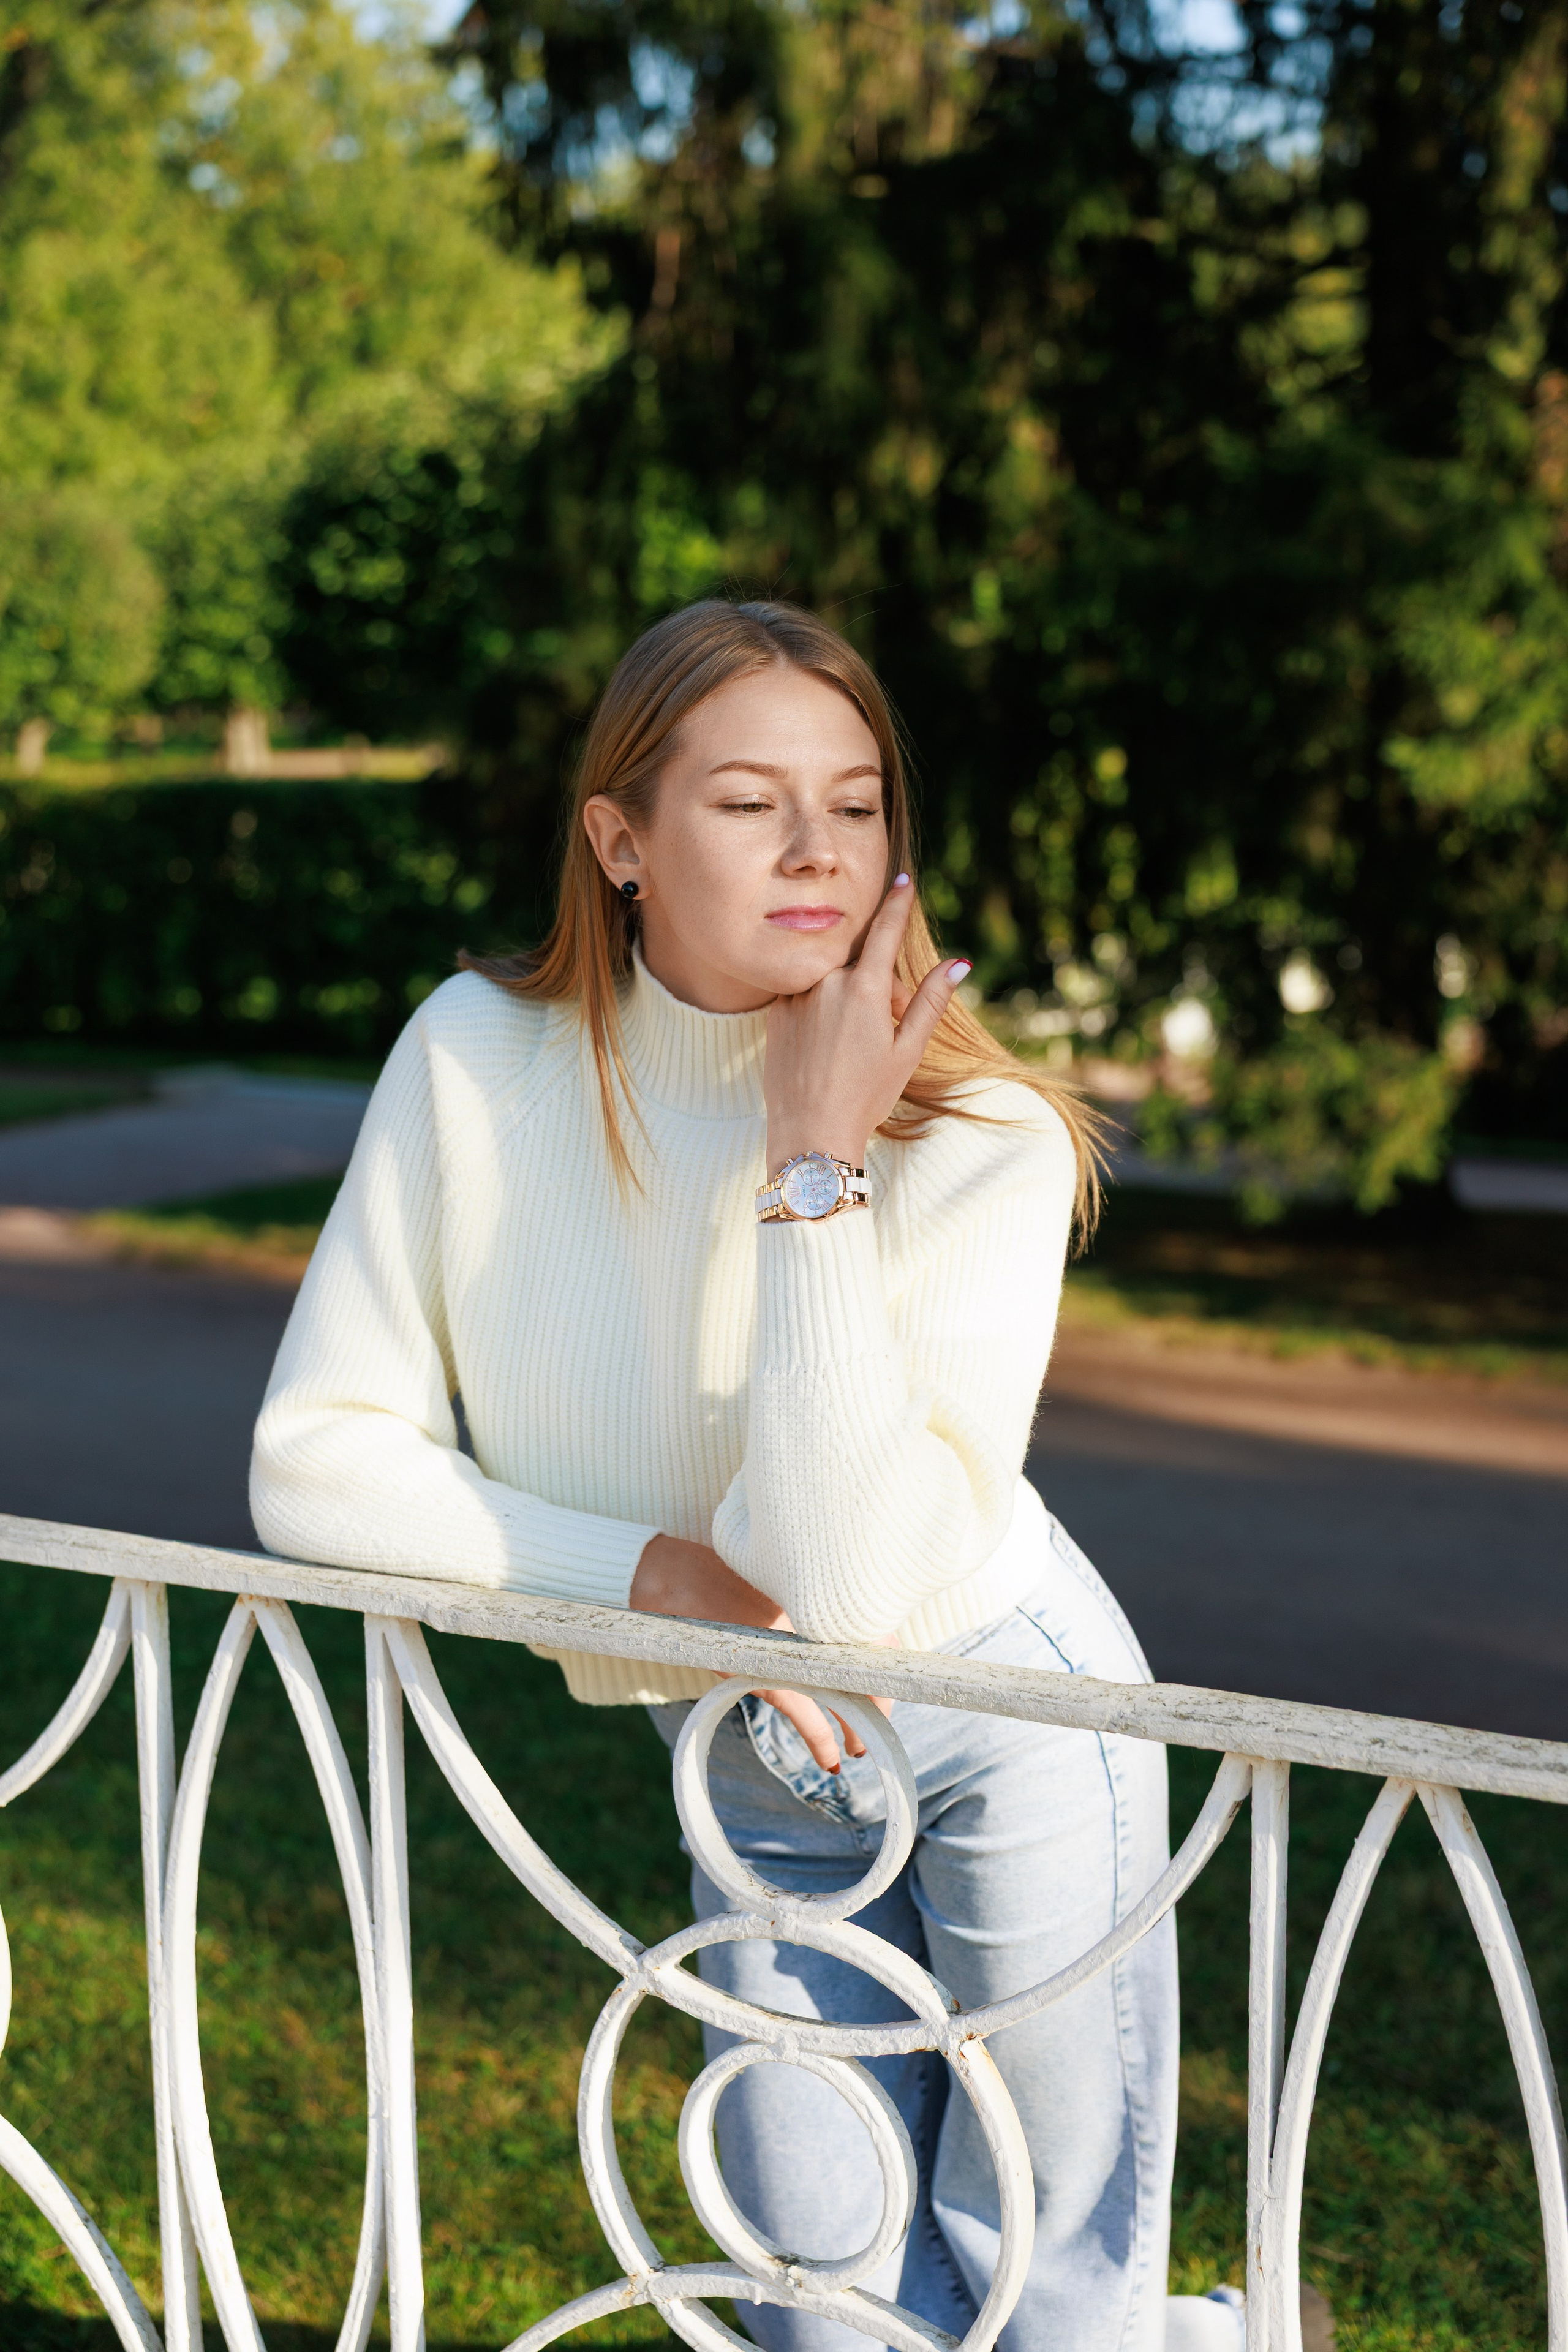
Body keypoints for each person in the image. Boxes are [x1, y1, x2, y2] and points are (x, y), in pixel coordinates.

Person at [251, 599, 1240, 2351]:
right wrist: (655, 1579)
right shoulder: (475, 1057)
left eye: (855, 805)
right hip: (737, 1728)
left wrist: (812, 1160)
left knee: (1048, 2269)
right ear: (619, 839)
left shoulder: (987, 1138)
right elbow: (315, 1463)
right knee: (816, 2291)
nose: (817, 851)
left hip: (1009, 1711)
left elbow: (847, 1587)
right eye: (746, 802)